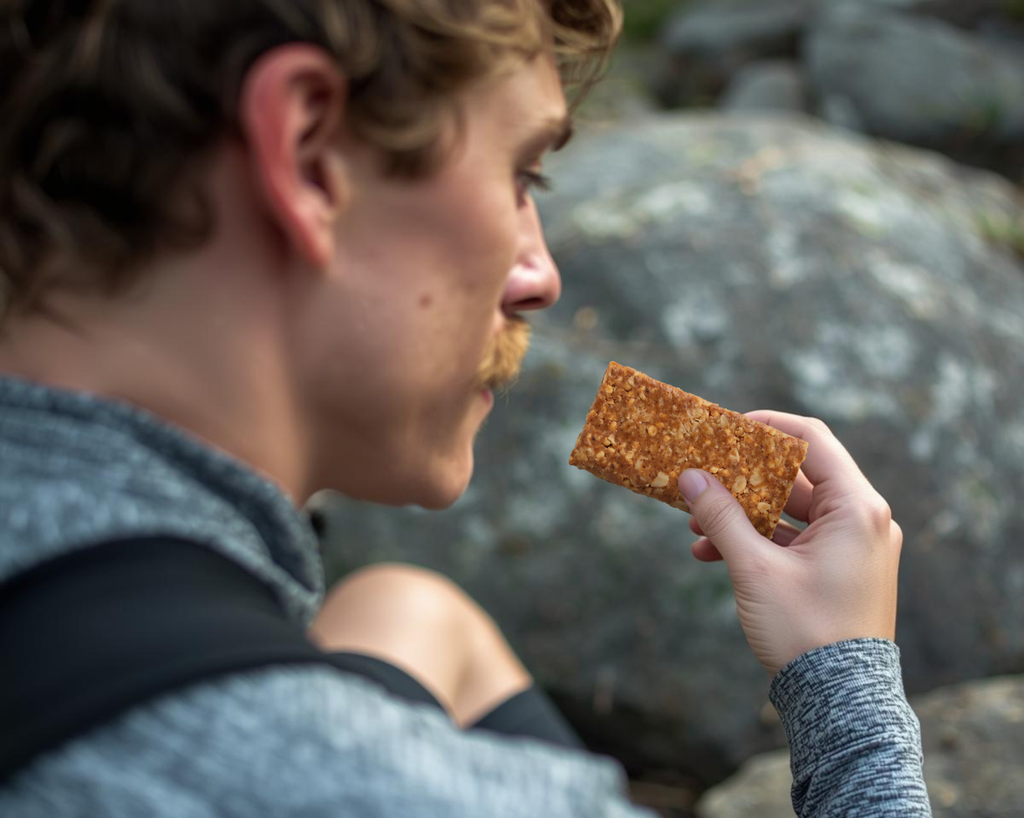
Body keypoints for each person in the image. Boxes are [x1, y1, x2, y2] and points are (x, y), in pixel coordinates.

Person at [0, 1, 931, 816]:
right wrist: (844, 681)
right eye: (523, 174)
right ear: (309, 150)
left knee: (407, 606)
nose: (542, 277)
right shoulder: (382, 791)